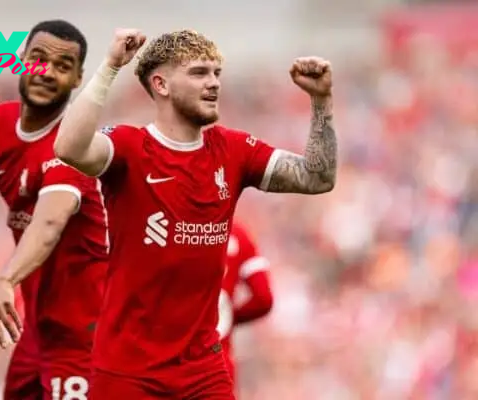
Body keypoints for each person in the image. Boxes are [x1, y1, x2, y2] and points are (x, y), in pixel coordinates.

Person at [53, 28, 337, 399]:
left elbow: (317, 177)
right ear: (161, 84)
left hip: (203, 371)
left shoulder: (234, 149)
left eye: (216, 73)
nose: (213, 83)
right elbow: (68, 147)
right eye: (199, 73)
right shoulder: (130, 147)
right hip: (127, 371)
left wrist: (321, 102)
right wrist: (109, 67)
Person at [0, 20, 108, 400]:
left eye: (62, 66)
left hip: (87, 335)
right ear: (20, 61)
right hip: (37, 332)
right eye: (38, 59)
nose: (47, 72)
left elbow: (49, 223)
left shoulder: (74, 145)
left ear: (77, 80)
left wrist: (5, 280)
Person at [216, 222, 273, 389]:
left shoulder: (174, 231)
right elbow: (264, 299)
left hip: (166, 362)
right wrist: (228, 318)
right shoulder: (239, 235)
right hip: (217, 363)